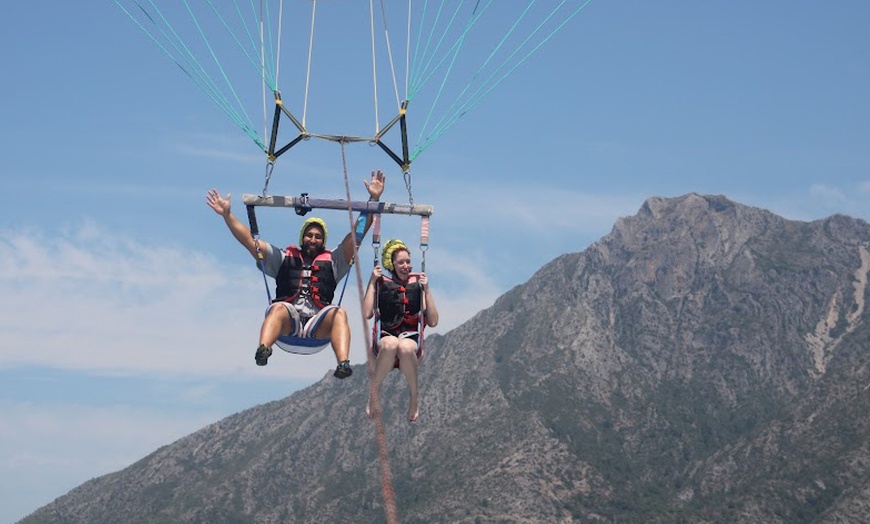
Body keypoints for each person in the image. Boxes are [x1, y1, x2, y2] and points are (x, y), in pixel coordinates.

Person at [206, 170, 385, 379]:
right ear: (302, 238)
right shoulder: (282, 258)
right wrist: (228, 215)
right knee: (279, 308)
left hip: (318, 326)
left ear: (323, 241)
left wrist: (373, 199)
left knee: (340, 313)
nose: (313, 239)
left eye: (318, 237)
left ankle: (343, 363)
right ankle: (264, 349)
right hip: (287, 326)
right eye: (309, 235)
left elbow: (357, 234)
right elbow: (249, 241)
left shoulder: (334, 261)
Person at [363, 239, 439, 421]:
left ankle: (414, 398)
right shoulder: (381, 283)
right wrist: (372, 282)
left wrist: (427, 290)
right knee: (391, 344)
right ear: (392, 264)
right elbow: (367, 313)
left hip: (411, 342)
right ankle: (374, 394)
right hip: (385, 338)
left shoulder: (418, 284)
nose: (406, 266)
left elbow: (434, 321)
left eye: (408, 262)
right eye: (401, 262)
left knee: (403, 346)